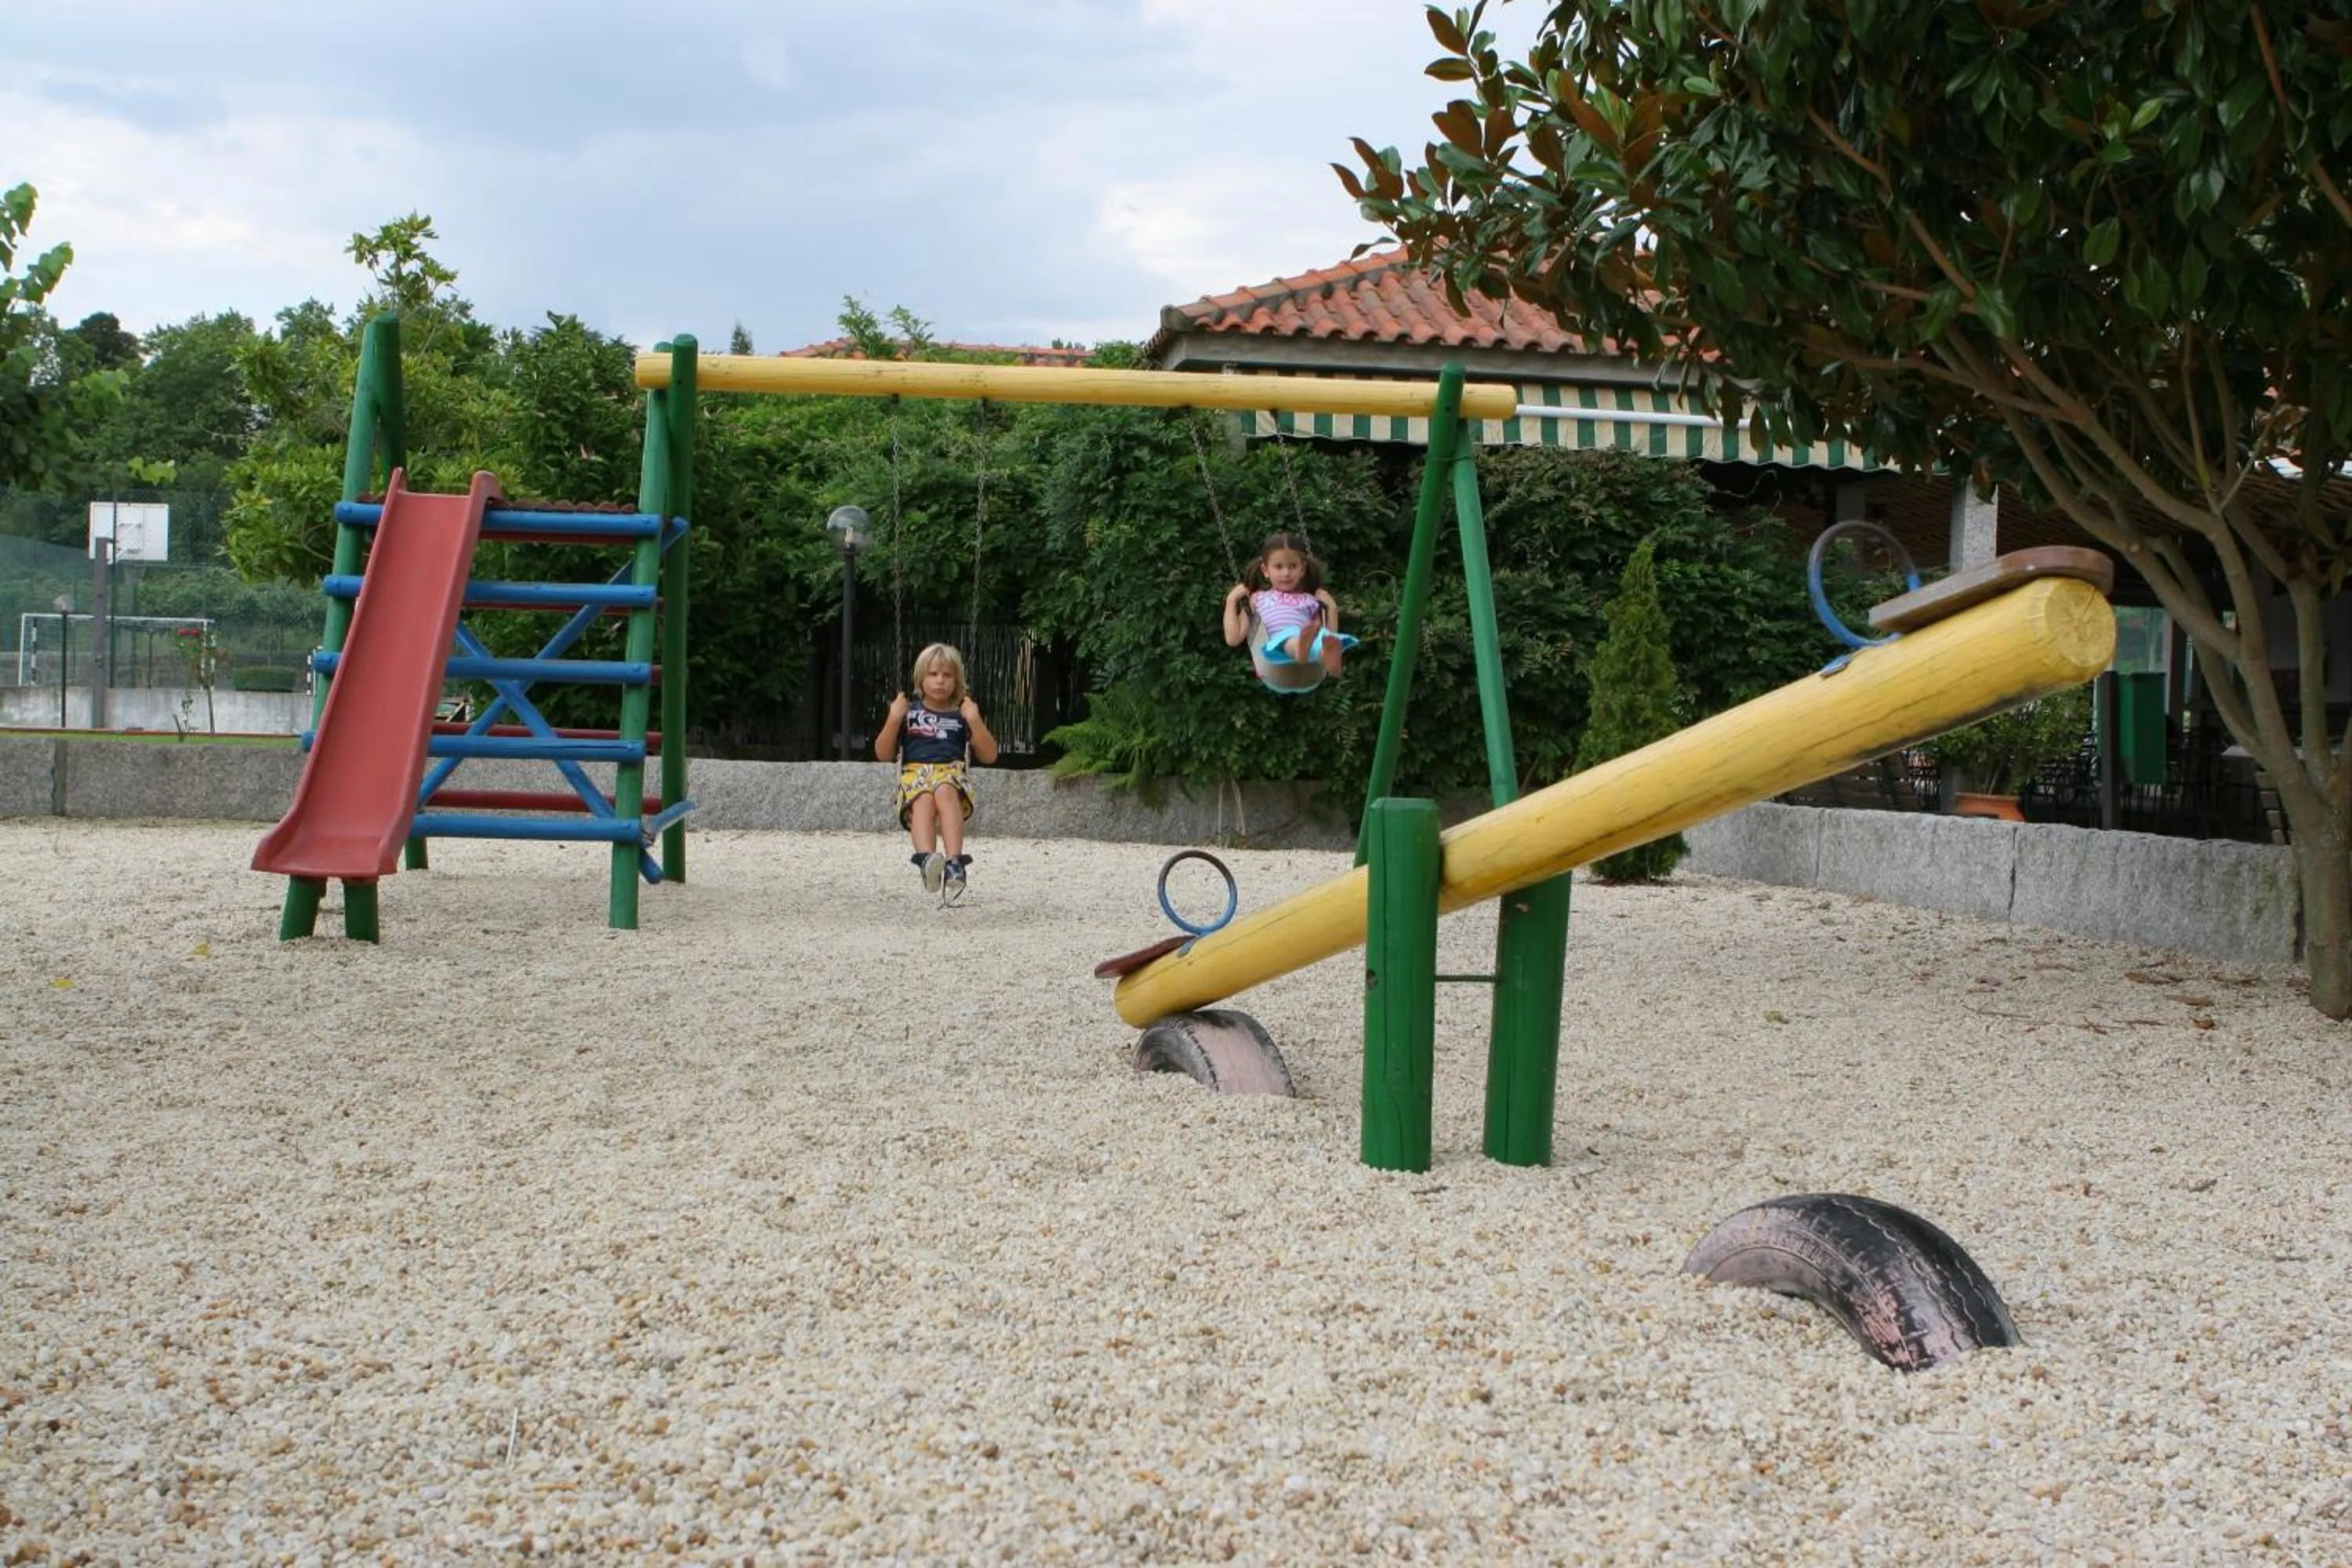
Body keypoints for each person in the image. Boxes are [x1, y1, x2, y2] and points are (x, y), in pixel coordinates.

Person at [874, 642, 999, 899]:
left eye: (947, 675)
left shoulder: (962, 715)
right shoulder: (909, 712)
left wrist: (975, 720)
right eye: (933, 674)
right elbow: (883, 754)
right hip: (915, 774)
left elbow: (990, 755)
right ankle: (928, 860)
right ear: (921, 678)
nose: (940, 681)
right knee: (923, 798)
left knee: (943, 789)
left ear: (957, 680)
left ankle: (954, 863)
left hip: (951, 773)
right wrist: (894, 718)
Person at [1221, 530, 1357, 693]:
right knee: (1289, 637)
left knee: (1320, 637)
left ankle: (1320, 652)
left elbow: (1328, 632)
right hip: (1275, 659)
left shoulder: (1311, 601)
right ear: (1265, 570)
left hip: (1310, 670)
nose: (1286, 573)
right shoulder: (1257, 600)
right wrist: (1231, 601)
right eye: (1278, 567)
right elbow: (1233, 638)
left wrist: (1332, 609)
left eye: (1293, 566)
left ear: (1302, 569)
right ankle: (1303, 646)